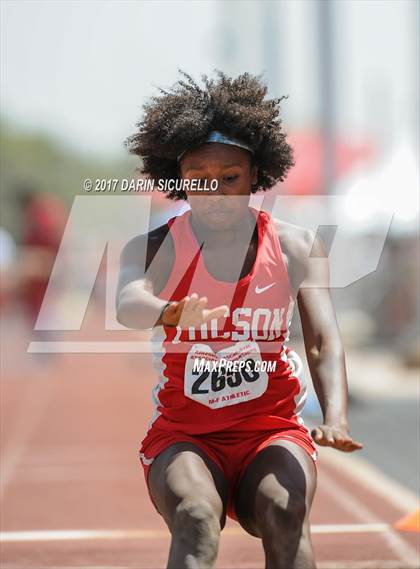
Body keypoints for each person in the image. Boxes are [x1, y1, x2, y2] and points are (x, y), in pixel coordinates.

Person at [117, 71, 363, 569]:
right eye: (200, 179)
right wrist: (168, 311)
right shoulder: (153, 248)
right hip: (185, 436)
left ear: (256, 175)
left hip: (271, 431)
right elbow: (127, 303)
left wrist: (334, 417)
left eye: (230, 178)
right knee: (196, 514)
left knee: (284, 509)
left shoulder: (295, 247)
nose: (216, 193)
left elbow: (321, 340)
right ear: (179, 179)